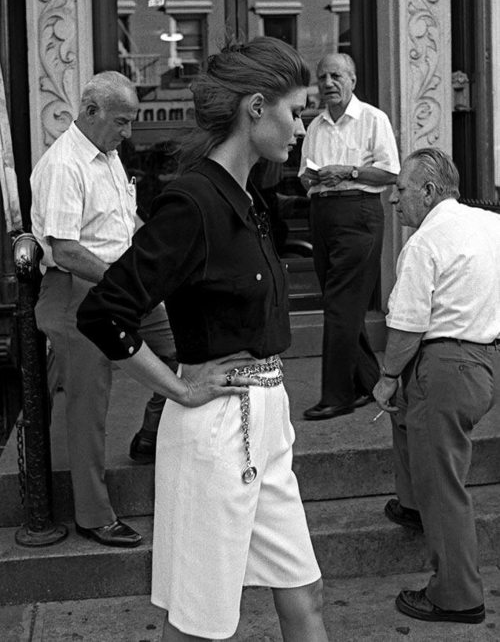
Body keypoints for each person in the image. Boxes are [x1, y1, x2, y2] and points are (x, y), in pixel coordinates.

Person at [76, 37, 328, 641]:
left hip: (268, 418)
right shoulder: (193, 201)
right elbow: (105, 312)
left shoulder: (251, 196)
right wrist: (179, 390)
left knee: (307, 593)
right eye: (296, 111)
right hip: (216, 428)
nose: (302, 127)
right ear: (257, 107)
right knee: (200, 623)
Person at [30, 71, 176, 547]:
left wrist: (154, 255)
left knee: (182, 351)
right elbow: (66, 249)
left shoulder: (108, 154)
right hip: (78, 286)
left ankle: (150, 433)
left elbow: (122, 219)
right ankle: (93, 515)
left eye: (131, 122)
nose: (129, 133)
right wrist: (126, 283)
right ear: (90, 112)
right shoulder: (63, 164)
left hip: (121, 280)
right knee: (89, 406)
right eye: (122, 122)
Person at [373, 148, 500, 625]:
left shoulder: (425, 243)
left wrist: (386, 379)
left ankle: (457, 597)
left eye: (401, 190)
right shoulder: (489, 224)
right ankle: (411, 505)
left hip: (448, 365)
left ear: (427, 192)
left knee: (443, 482)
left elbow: (407, 325)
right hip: (485, 358)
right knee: (411, 421)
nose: (394, 200)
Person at [299, 52, 400, 420]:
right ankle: (367, 383)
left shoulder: (373, 119)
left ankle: (336, 394)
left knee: (340, 306)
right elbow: (303, 175)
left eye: (336, 76)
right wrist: (314, 177)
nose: (328, 84)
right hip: (322, 214)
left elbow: (390, 172)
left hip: (359, 215)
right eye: (322, 77)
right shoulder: (315, 127)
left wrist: (348, 172)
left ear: (353, 80)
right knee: (343, 304)